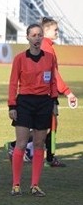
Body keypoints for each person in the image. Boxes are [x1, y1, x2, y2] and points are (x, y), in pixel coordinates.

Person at [8, 24, 59, 196]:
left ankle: (35, 185)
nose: (37, 38)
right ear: (27, 37)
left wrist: (54, 103)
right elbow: (13, 83)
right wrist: (12, 105)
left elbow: (53, 82)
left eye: (40, 35)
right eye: (34, 35)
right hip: (24, 103)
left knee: (39, 144)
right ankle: (16, 184)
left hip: (44, 103)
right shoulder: (20, 59)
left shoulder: (50, 58)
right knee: (21, 143)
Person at [32, 17, 77, 167]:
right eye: (55, 30)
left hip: (48, 92)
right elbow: (53, 74)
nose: (57, 32)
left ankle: (48, 156)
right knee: (47, 125)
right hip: (46, 93)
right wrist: (68, 92)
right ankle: (49, 158)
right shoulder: (46, 47)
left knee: (49, 125)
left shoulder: (47, 46)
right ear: (45, 31)